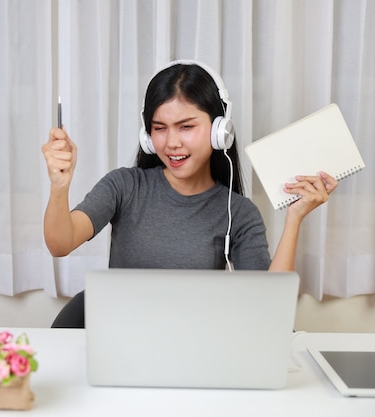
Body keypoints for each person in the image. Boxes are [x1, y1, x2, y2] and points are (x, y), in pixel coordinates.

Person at [42, 60, 338, 327]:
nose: (172, 143)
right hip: (122, 334)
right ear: (147, 136)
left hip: (193, 342)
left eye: (186, 127)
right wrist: (59, 186)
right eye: (159, 128)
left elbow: (269, 308)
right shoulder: (124, 186)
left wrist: (295, 218)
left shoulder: (239, 212)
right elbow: (60, 243)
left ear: (219, 130)